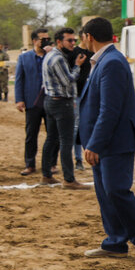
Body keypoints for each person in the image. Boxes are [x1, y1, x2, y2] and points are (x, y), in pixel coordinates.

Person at [78, 17, 135, 265]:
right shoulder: (103, 60)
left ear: (89, 37)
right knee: (105, 193)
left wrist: (94, 144)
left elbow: (109, 110)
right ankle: (115, 243)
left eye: (82, 36)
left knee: (116, 191)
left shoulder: (111, 62)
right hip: (103, 140)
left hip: (115, 141)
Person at [40, 28, 87, 189]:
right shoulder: (58, 58)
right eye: (70, 40)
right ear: (59, 42)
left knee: (51, 139)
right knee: (66, 141)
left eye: (74, 40)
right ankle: (69, 179)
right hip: (61, 103)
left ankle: (46, 175)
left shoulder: (51, 55)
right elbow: (68, 80)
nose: (73, 43)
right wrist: (77, 66)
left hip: (51, 101)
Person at [14, 29, 50, 176]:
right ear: (35, 41)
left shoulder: (53, 56)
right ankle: (30, 164)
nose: (46, 42)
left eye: (48, 39)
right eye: (43, 39)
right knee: (31, 135)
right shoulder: (24, 58)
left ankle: (51, 164)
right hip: (32, 102)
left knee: (52, 134)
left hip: (50, 101)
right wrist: (19, 99)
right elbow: (19, 79)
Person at [65, 36, 93, 171]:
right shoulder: (73, 54)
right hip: (75, 96)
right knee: (74, 129)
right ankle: (75, 159)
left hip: (88, 96)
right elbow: (69, 77)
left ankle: (80, 158)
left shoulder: (93, 54)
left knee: (83, 127)